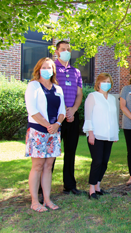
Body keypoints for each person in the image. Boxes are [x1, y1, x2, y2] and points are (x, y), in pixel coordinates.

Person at [25, 57, 66, 212]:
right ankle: (35, 201)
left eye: (50, 67)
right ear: (38, 69)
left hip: (54, 132)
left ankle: (47, 200)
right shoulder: (33, 86)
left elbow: (62, 111)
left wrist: (57, 125)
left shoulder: (58, 88)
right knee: (37, 166)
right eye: (44, 67)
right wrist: (48, 126)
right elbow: (32, 110)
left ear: (53, 71)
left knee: (48, 166)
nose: (47, 70)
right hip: (38, 131)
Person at [83, 73, 119, 199]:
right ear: (98, 83)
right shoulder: (92, 96)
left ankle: (98, 186)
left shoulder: (112, 98)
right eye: (104, 81)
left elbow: (113, 117)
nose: (106, 83)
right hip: (96, 135)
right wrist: (90, 133)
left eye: (108, 81)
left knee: (104, 162)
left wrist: (115, 133)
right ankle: (91, 189)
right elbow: (88, 116)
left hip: (108, 135)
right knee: (97, 161)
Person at [54, 41, 83, 195]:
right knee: (51, 153)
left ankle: (69, 185)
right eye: (63, 49)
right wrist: (63, 112)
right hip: (55, 118)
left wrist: (73, 110)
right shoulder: (51, 68)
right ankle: (42, 187)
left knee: (71, 152)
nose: (66, 52)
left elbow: (79, 94)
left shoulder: (76, 72)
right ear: (57, 52)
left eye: (68, 50)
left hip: (72, 116)